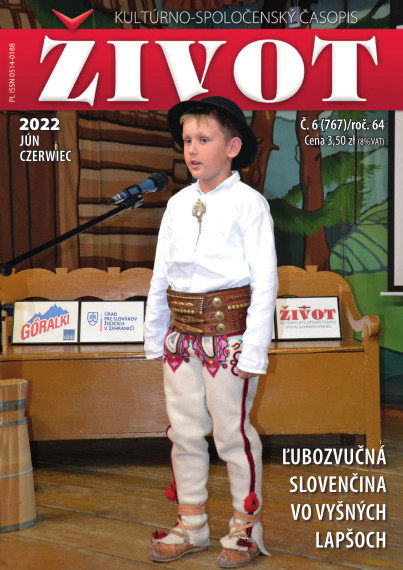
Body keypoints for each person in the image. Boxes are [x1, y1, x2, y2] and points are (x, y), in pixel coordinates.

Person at [144, 96, 278, 568]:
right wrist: (154, 334)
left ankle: (245, 528)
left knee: (232, 434)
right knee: (183, 432)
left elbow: (265, 283)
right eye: (187, 140)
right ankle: (192, 524)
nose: (192, 149)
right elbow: (161, 274)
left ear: (233, 147)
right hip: (181, 338)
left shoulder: (249, 205)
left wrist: (253, 351)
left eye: (204, 139)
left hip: (229, 339)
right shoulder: (178, 204)